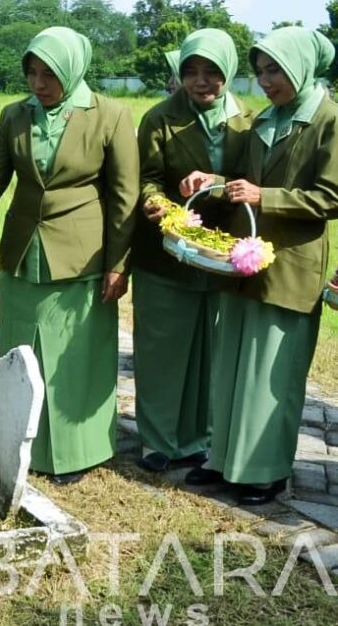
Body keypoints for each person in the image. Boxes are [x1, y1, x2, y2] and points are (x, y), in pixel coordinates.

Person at [0, 26, 139, 484]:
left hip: (83, 257)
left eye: (49, 74)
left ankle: (76, 452)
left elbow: (125, 196)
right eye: (32, 73)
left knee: (76, 356)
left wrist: (119, 264)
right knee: (24, 352)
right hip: (24, 253)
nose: (38, 84)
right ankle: (19, 439)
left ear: (72, 69)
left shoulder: (111, 116)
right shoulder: (13, 115)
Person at [182, 27, 338, 505]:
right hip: (245, 260)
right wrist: (218, 179)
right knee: (232, 365)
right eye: (260, 71)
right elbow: (247, 183)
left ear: (300, 66)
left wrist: (262, 196)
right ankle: (225, 460)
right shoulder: (267, 119)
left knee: (272, 374)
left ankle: (265, 472)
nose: (265, 81)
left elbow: (330, 197)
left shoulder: (329, 119)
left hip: (291, 267)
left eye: (274, 70)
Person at [131, 29, 254, 474]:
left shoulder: (247, 120)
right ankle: (158, 441)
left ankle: (197, 438)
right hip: (167, 250)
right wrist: (159, 203)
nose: (201, 81)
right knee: (163, 347)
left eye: (212, 72)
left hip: (221, 255)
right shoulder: (160, 117)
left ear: (229, 74)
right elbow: (144, 176)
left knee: (207, 349)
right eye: (191, 72)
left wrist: (215, 182)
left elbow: (250, 179)